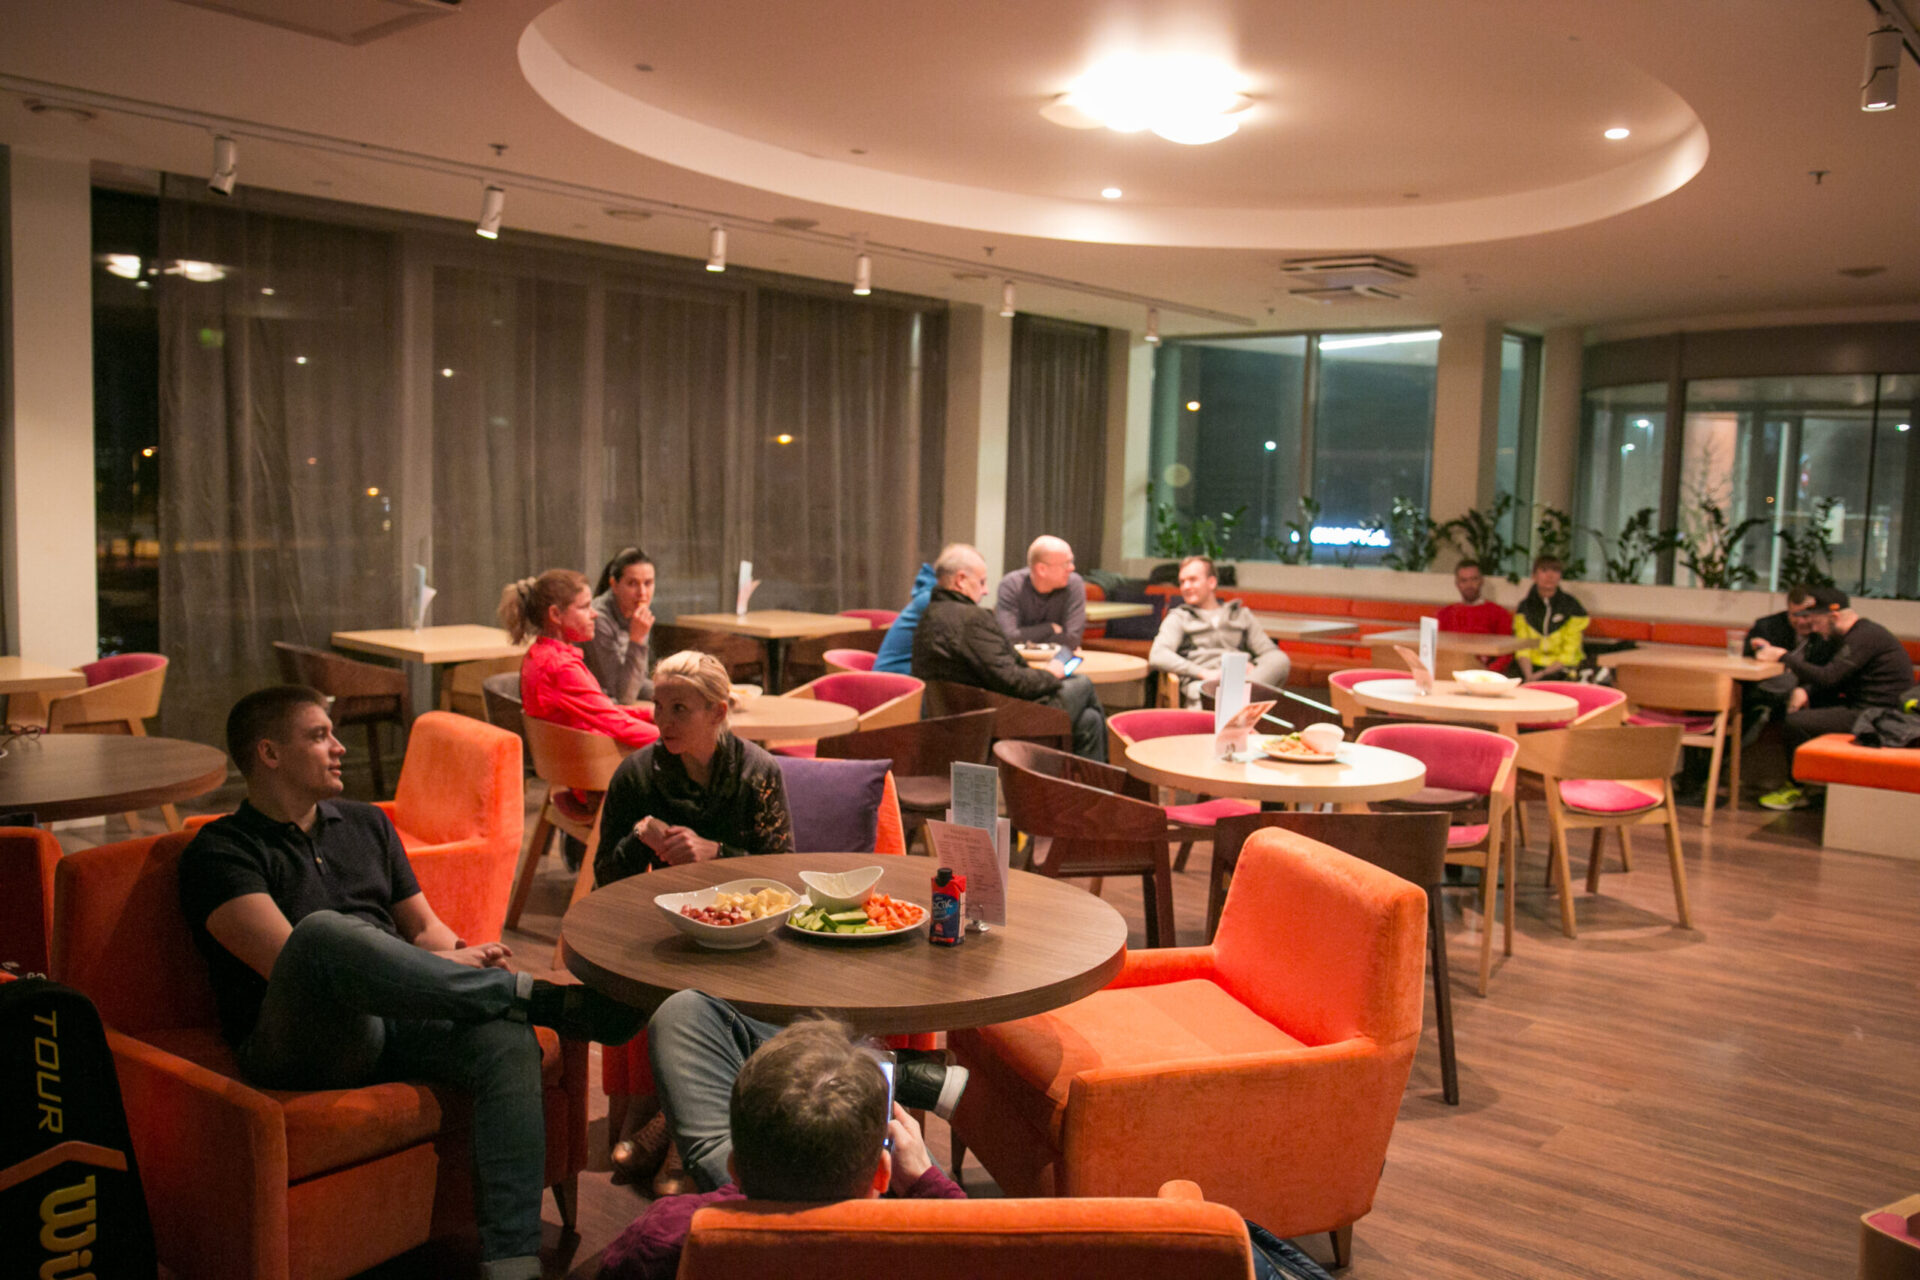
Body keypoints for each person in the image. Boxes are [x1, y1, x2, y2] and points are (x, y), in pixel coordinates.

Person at [178, 686, 644, 1280]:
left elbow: (423, 928)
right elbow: (289, 964)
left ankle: (513, 1262)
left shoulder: (367, 823)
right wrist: (443, 973)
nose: (340, 747)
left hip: (399, 1012)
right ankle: (540, 999)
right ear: (269, 753)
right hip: (304, 1041)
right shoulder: (220, 851)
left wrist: (459, 954)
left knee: (506, 1041)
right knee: (321, 934)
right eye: (319, 736)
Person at [591, 650, 796, 1190]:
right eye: (658, 707)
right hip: (665, 927)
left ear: (718, 712)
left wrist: (715, 852)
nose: (663, 721)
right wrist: (640, 838)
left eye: (679, 708)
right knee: (679, 983)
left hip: (747, 932)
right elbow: (604, 877)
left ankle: (669, 1128)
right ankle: (681, 1129)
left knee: (733, 988)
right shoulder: (638, 773)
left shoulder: (757, 772)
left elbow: (783, 872)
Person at [599, 1005, 966, 1280]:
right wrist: (925, 1180)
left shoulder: (665, 1238)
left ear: (733, 1167)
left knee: (682, 1010)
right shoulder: (932, 1251)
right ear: (882, 1175)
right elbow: (989, 1247)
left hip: (742, 1215)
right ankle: (898, 1071)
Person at [913, 542, 1109, 761]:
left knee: (1089, 720)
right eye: (982, 581)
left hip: (965, 714)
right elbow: (1014, 681)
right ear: (960, 580)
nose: (986, 590)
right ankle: (1104, 776)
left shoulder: (930, 615)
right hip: (1003, 719)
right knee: (1083, 684)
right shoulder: (971, 620)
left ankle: (1086, 779)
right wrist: (1050, 674)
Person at [1756, 587, 1915, 811]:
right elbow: (1834, 678)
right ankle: (1816, 786)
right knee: (1803, 709)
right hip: (1866, 708)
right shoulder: (1857, 634)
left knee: (1795, 722)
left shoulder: (1863, 637)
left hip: (1878, 716)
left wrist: (1783, 656)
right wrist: (1806, 691)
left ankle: (1797, 788)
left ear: (1834, 617)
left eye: (1817, 622)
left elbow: (1829, 677)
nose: (1815, 629)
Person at [1149, 554, 1290, 706]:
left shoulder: (1240, 615)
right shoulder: (1179, 617)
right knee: (1219, 695)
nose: (1186, 587)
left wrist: (1253, 669)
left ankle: (1235, 698)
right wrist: (1203, 673)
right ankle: (1236, 702)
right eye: (1182, 582)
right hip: (1205, 687)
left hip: (1240, 679)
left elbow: (1269, 653)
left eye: (1192, 580)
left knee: (1280, 660)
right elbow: (1158, 654)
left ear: (1211, 582)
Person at [584, 547, 657, 704]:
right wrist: (637, 639)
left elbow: (637, 682)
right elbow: (623, 695)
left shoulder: (637, 612)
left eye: (648, 583)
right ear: (614, 585)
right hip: (598, 704)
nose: (642, 593)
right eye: (632, 583)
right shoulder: (598, 619)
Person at [995, 534, 1087, 650]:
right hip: (1019, 659)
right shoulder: (1011, 585)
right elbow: (1007, 636)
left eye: (1072, 561)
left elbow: (1072, 639)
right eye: (1066, 563)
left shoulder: (1074, 584)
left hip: (1059, 658)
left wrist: (1026, 638)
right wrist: (1050, 628)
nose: (1072, 568)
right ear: (1041, 569)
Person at [1512, 556, 1589, 681]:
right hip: (1530, 668)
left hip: (1564, 668)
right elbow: (1522, 648)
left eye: (1555, 570)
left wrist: (1542, 674)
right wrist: (1529, 675)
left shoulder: (1572, 607)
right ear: (1534, 576)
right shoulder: (1524, 607)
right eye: (1544, 570)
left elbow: (1569, 652)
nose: (1550, 575)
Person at [1437, 560, 1514, 672]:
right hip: (1449, 671)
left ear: (1481, 581)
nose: (1469, 585)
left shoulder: (1499, 614)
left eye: (1474, 579)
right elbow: (1437, 650)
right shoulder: (1444, 614)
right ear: (1457, 584)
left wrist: (1487, 674)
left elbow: (1506, 653)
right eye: (1464, 580)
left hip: (1485, 674)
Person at [873, 561, 936, 675]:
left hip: (900, 674)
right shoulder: (932, 600)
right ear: (960, 580)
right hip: (895, 679)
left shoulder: (930, 596)